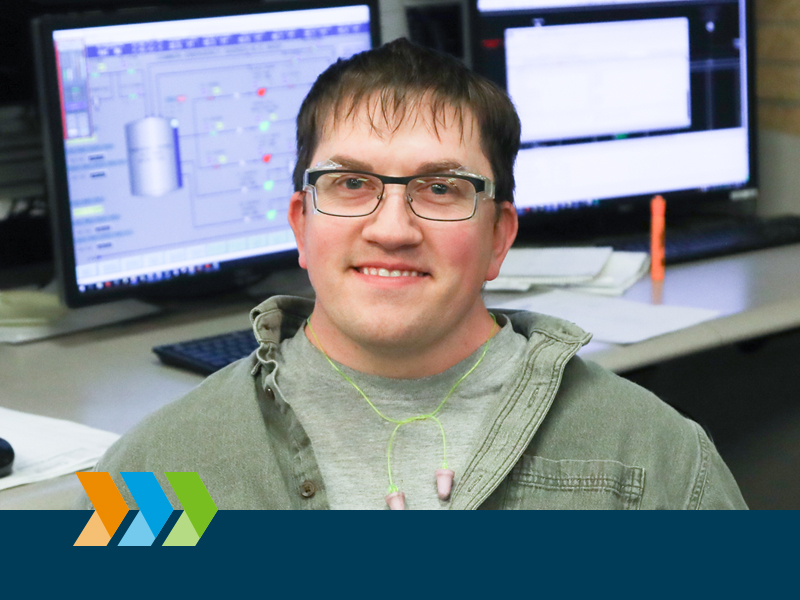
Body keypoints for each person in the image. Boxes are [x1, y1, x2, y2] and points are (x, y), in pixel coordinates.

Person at [89, 39, 746, 509]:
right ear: (300, 224)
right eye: (350, 183)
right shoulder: (158, 474)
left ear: (499, 237)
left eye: (440, 188)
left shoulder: (653, 461)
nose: (393, 227)